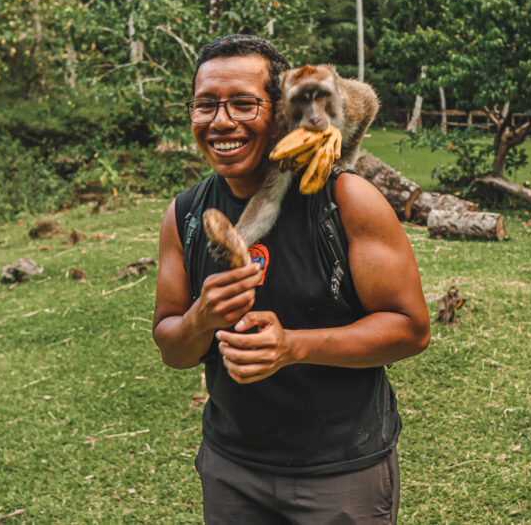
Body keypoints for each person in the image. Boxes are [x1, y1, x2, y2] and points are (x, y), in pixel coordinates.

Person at [153, 34, 430, 524]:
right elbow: (173, 349)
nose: (221, 121)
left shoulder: (348, 199)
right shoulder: (186, 214)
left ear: (278, 110)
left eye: (243, 104)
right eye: (205, 106)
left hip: (340, 470)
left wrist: (294, 347)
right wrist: (200, 319)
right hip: (232, 465)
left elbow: (411, 329)